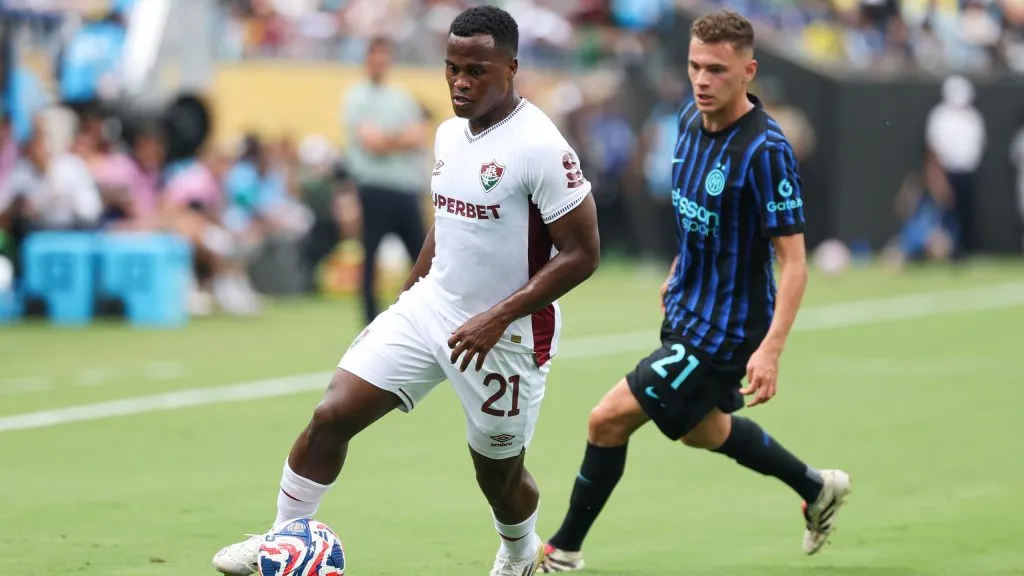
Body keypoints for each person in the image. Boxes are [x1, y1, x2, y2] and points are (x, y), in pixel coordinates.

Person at [212, 5, 600, 576]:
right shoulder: (447, 136)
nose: (460, 83)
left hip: (508, 336)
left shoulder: (541, 146)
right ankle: (282, 542)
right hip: (430, 310)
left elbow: (584, 254)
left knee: (499, 477)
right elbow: (446, 222)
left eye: (476, 71)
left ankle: (520, 554)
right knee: (332, 414)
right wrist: (411, 294)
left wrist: (496, 317)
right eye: (452, 69)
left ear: (511, 67)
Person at [539, 11, 851, 573]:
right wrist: (681, 264)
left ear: (747, 71)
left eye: (716, 69)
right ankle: (816, 486)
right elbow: (700, 214)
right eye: (694, 66)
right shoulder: (688, 119)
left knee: (606, 420)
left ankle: (562, 550)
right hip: (688, 307)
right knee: (703, 431)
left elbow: (796, 262)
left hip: (728, 329)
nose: (702, 80)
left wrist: (771, 349)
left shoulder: (765, 150)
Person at [341, 35, 430, 325]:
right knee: (371, 257)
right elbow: (371, 143)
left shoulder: (400, 96)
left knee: (421, 258)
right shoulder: (357, 97)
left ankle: (428, 312)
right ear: (368, 59)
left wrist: (388, 140)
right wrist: (399, 139)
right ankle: (370, 321)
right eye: (376, 55)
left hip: (404, 187)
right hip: (373, 187)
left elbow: (417, 136)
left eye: (385, 55)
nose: (381, 61)